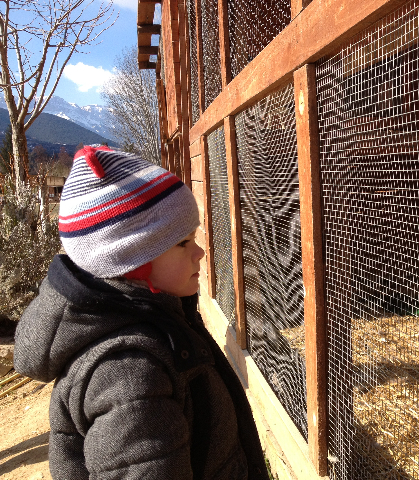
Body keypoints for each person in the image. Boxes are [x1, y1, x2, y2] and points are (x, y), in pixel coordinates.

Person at [14, 146, 270, 479]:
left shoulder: (158, 324)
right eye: (183, 243)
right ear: (133, 260)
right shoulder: (129, 376)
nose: (200, 252)